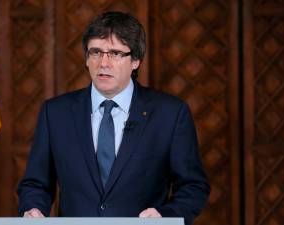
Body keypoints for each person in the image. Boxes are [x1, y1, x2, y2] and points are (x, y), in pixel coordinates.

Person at [17, 11, 210, 225]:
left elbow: (193, 186)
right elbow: (35, 184)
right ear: (87, 59)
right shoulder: (55, 113)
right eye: (96, 52)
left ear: (135, 60)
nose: (104, 63)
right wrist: (32, 209)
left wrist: (166, 216)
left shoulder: (170, 114)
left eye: (116, 53)